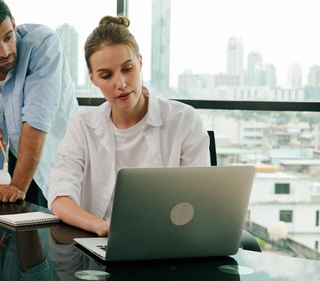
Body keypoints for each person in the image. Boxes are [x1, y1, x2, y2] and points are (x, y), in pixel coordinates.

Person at [48, 15, 210, 236]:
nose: (121, 84)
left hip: (169, 241)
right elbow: (60, 197)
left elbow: (199, 199)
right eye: (106, 75)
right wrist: (100, 226)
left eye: (127, 69)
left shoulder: (184, 120)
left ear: (140, 62)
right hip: (99, 241)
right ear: (93, 79)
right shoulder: (82, 126)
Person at [0, 0, 78, 207]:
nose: (5, 51)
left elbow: (36, 120)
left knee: (59, 233)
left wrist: (18, 186)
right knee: (15, 230)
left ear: (14, 23)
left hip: (58, 157)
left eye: (8, 37)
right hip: (11, 162)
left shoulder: (43, 44)